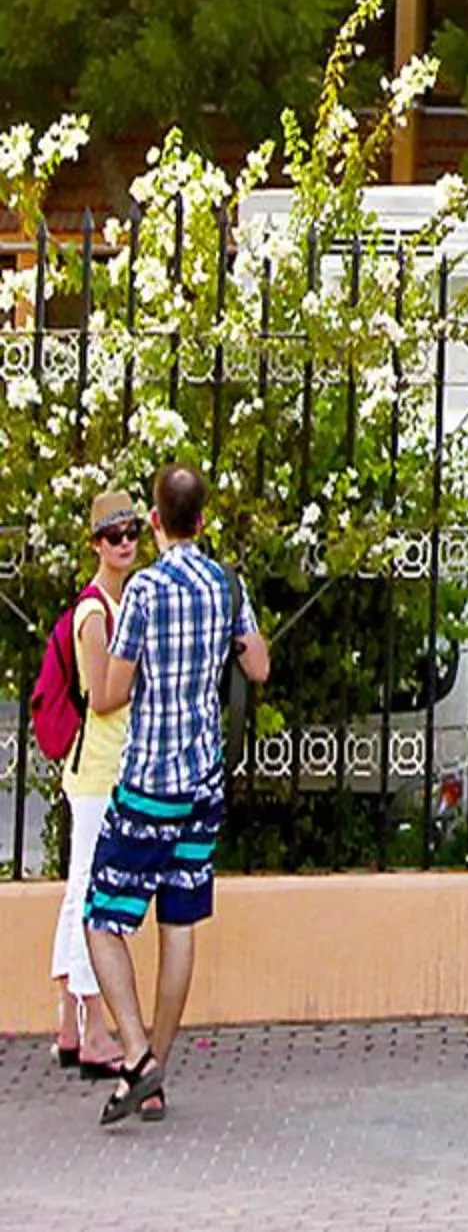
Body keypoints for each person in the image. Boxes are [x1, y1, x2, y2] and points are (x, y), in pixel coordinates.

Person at [79, 463, 267, 1128]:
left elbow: (112, 690)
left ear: (154, 521)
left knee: (102, 918)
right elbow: (259, 665)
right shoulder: (225, 584)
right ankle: (154, 1073)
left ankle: (135, 1056)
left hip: (151, 779)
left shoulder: (146, 592)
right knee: (179, 922)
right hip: (203, 778)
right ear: (203, 519)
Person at [47, 490, 139, 1080]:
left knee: (80, 889)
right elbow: (103, 694)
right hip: (96, 773)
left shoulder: (123, 600)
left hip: (106, 770)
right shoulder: (95, 613)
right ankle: (96, 1030)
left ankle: (68, 1025)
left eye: (130, 531)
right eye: (112, 535)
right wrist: (146, 667)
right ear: (95, 545)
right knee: (91, 897)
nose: (125, 542)